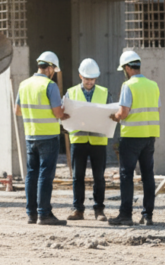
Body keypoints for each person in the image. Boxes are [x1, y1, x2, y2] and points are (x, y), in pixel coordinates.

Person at [15, 51, 70, 226]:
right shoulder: (50, 86)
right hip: (48, 136)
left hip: (30, 135)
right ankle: (44, 214)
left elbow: (17, 111)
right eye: (54, 69)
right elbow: (57, 113)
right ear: (50, 68)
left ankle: (31, 213)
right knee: (45, 175)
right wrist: (66, 113)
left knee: (32, 174)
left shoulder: (24, 84)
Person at [108, 50, 160, 226]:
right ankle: (148, 215)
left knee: (126, 175)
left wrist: (114, 116)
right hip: (149, 136)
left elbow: (123, 113)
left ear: (128, 68)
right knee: (148, 176)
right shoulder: (153, 85)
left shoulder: (128, 86)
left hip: (131, 137)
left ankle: (125, 215)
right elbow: (156, 110)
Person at [64, 58, 108, 222]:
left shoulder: (104, 92)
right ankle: (78, 210)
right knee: (77, 177)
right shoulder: (71, 92)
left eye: (92, 79)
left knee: (99, 177)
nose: (90, 82)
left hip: (98, 141)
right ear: (80, 76)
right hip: (78, 140)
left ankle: (99, 210)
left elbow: (110, 115)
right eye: (87, 78)